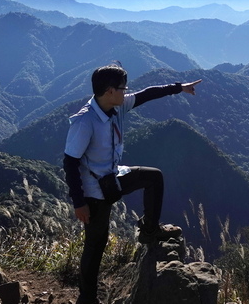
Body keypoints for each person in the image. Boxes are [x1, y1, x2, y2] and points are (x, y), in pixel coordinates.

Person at [63, 64, 202, 304]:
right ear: (109, 91)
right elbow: (70, 162)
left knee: (153, 177)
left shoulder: (117, 106)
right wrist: (79, 202)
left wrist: (179, 88)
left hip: (114, 176)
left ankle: (150, 231)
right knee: (96, 244)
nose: (126, 91)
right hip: (94, 191)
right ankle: (87, 298)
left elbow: (147, 94)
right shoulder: (85, 122)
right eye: (122, 88)